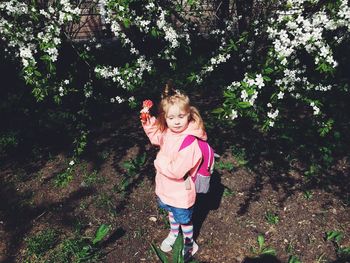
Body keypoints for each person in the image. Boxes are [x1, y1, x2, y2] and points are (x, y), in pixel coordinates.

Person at [141, 82, 207, 261]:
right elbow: (156, 136)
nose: (176, 121)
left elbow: (177, 171)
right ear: (165, 118)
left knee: (184, 218)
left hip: (181, 190)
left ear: (189, 114)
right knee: (171, 211)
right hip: (166, 188)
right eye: (171, 118)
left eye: (181, 116)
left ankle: (189, 242)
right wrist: (148, 121)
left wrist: (158, 163)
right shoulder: (169, 132)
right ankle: (173, 232)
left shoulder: (189, 142)